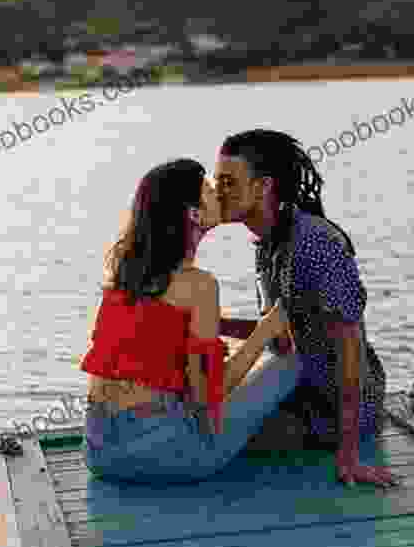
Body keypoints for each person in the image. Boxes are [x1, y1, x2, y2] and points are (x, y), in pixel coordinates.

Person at [80, 158, 306, 484]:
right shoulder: (199, 285)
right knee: (291, 362)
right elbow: (208, 394)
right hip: (166, 455)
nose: (222, 195)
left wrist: (231, 327)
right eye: (213, 190)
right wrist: (267, 330)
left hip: (99, 451)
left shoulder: (125, 270)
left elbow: (154, 335)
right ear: (193, 214)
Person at [215, 130, 400, 489]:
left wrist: (347, 456)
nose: (217, 192)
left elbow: (351, 349)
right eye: (217, 182)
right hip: (295, 394)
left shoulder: (316, 242)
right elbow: (284, 332)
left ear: (263, 186)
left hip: (333, 412)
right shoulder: (269, 243)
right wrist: (215, 323)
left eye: (227, 182)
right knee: (207, 418)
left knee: (216, 433)